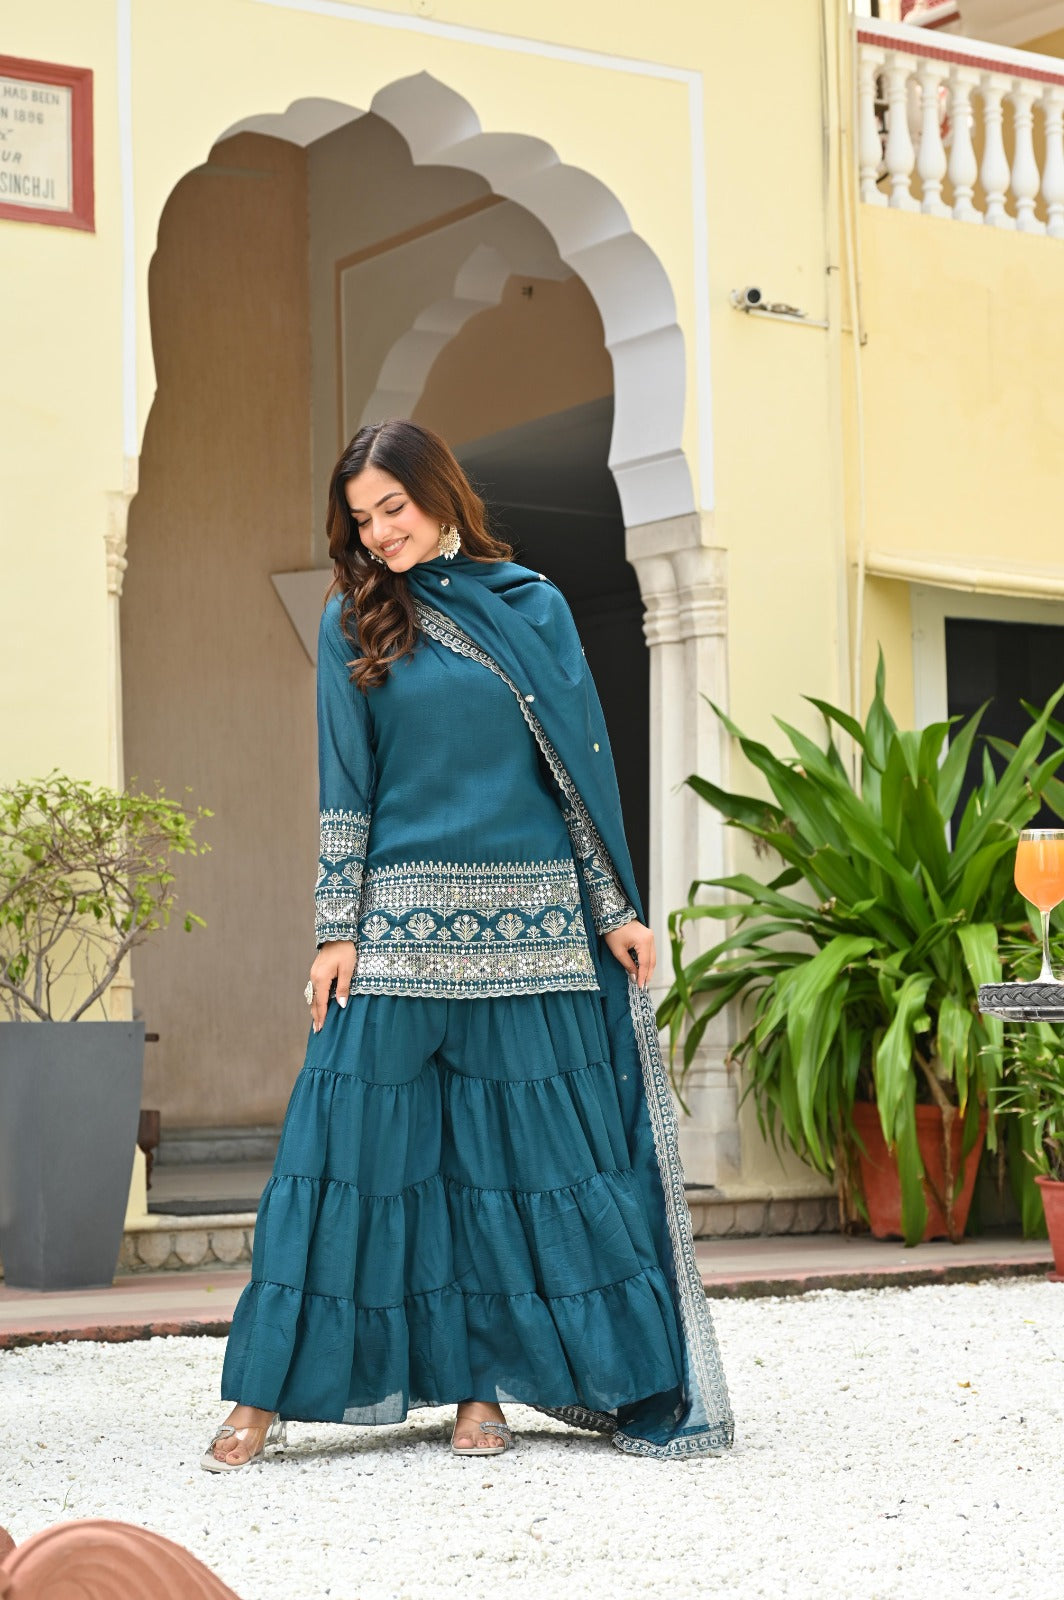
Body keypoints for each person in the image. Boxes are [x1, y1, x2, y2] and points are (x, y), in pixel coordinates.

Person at [203, 419, 733, 1469]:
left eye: (392, 508)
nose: (380, 532)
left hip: (532, 927)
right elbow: (345, 785)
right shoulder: (353, 619)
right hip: (397, 926)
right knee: (342, 1151)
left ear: (438, 492)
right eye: (361, 519)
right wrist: (333, 931)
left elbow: (572, 772)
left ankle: (476, 1391)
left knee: (517, 1165)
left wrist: (612, 908)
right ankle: (261, 1392)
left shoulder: (530, 606)